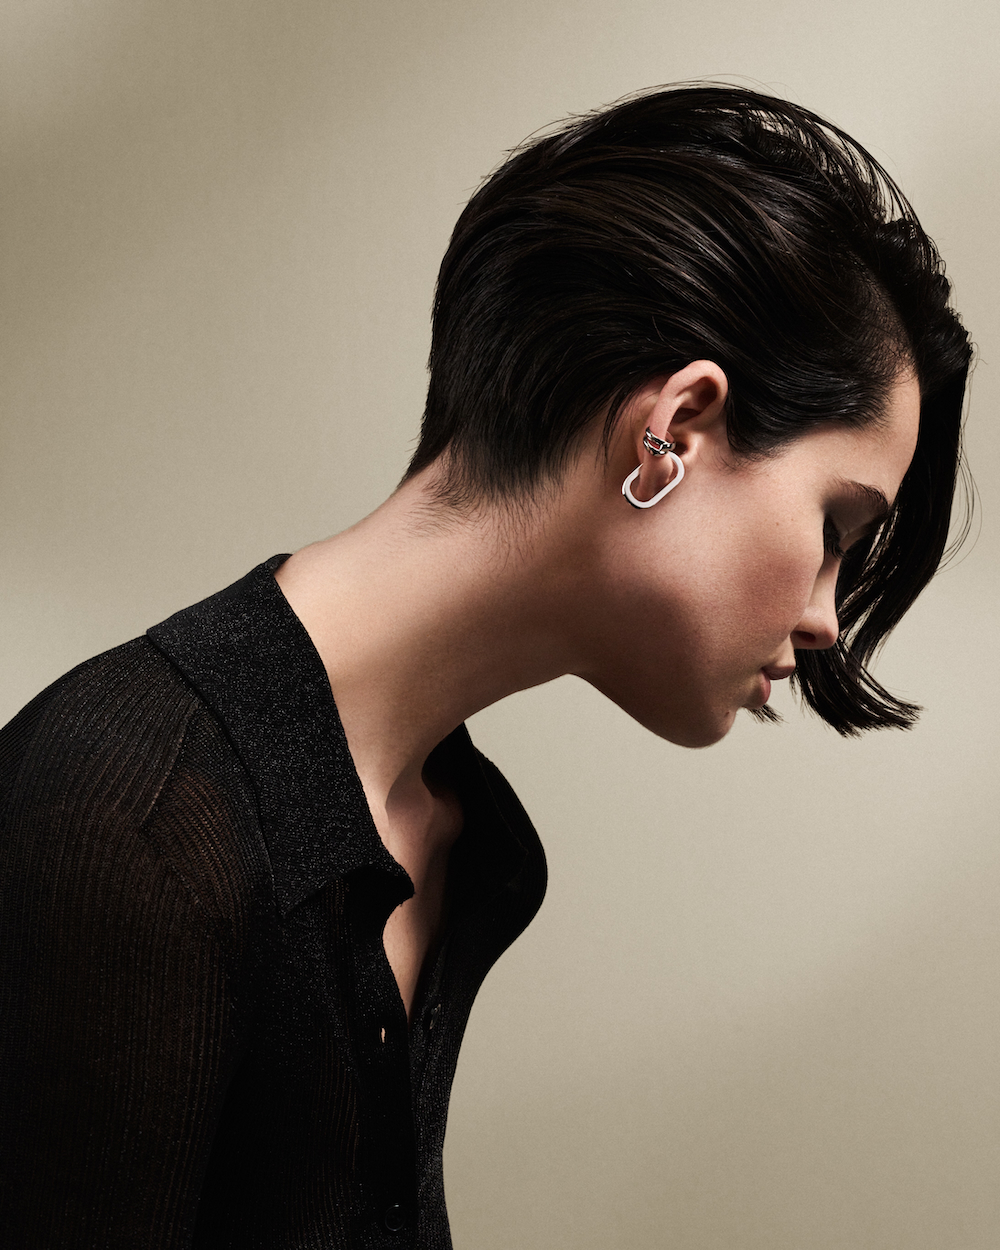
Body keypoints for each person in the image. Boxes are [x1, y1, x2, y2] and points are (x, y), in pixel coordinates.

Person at [0, 84, 971, 1249]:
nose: (824, 620)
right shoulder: (132, 819)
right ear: (672, 430)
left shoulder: (453, 832)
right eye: (834, 527)